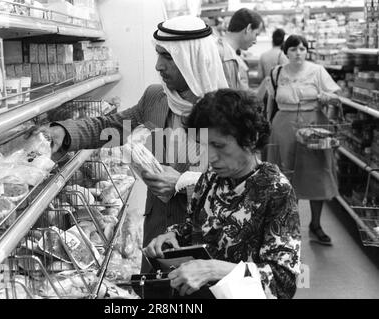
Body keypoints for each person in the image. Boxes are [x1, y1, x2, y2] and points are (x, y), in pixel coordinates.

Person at [42, 15, 228, 272]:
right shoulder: (156, 98)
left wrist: (183, 181)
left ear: (194, 60)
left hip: (203, 239)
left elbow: (239, 183)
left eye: (168, 57)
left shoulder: (228, 113)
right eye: (158, 54)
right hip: (157, 234)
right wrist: (64, 132)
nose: (158, 66)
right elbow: (112, 126)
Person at [144, 88, 301, 299]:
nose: (210, 157)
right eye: (203, 145)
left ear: (251, 139)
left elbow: (283, 282)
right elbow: (193, 227)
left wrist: (213, 269)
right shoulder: (211, 178)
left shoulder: (276, 191)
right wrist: (173, 236)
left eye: (219, 146)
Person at [266, 34, 341, 245]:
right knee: (286, 177)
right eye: (293, 49)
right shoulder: (277, 73)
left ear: (307, 51)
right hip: (283, 127)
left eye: (302, 49)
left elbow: (336, 97)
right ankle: (288, 227)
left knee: (317, 175)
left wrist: (329, 98)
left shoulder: (317, 71)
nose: (298, 53)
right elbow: (270, 104)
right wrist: (264, 127)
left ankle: (316, 225)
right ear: (285, 52)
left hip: (313, 125)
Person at [217, 8, 264, 89]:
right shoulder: (225, 55)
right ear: (248, 28)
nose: (255, 41)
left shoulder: (221, 48)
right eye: (256, 34)